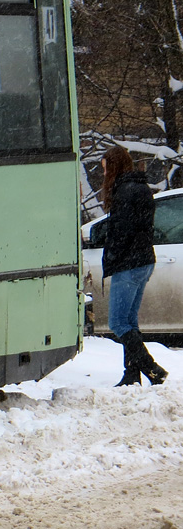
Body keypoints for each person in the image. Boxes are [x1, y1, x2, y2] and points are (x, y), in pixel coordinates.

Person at [100, 145, 168, 386]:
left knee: (117, 323)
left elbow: (123, 231)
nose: (104, 174)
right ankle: (131, 375)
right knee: (129, 321)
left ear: (114, 166)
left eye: (106, 168)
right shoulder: (140, 187)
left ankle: (151, 368)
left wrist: (112, 256)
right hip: (144, 261)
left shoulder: (125, 192)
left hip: (128, 265)